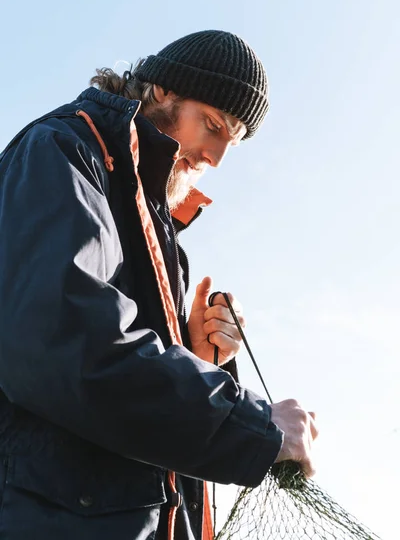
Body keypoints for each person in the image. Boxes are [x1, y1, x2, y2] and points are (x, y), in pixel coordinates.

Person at [0, 30, 318, 540]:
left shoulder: (163, 235)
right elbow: (63, 345)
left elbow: (146, 409)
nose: (215, 158)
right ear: (163, 91)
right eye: (212, 125)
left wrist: (196, 357)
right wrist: (255, 425)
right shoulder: (63, 151)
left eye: (231, 142)